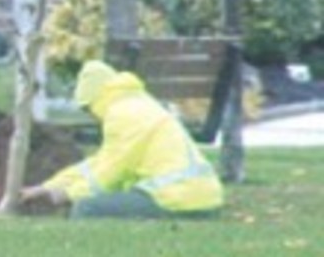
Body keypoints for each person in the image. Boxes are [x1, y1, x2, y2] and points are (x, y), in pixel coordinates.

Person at [21, 59, 224, 220]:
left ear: (94, 100)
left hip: (178, 201)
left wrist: (66, 195)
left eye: (87, 109)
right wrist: (48, 186)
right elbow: (99, 164)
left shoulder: (121, 116)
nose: (91, 115)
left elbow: (108, 177)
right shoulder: (136, 104)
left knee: (88, 208)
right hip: (201, 198)